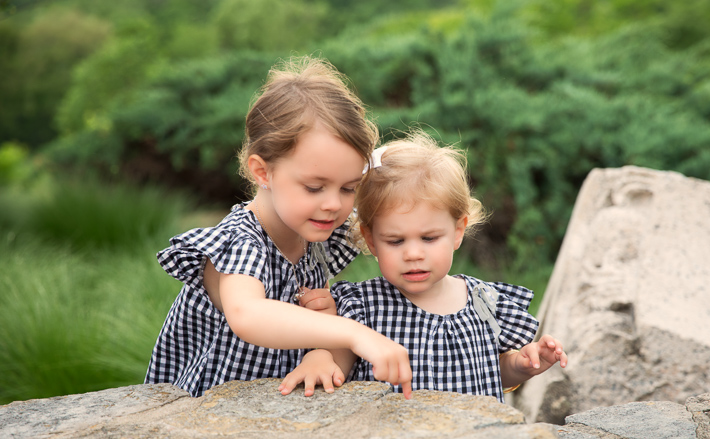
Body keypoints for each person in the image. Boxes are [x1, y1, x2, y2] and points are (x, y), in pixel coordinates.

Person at [145, 57, 412, 398]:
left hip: (275, 408)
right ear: (263, 172)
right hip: (206, 410)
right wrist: (353, 332)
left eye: (348, 188)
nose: (334, 204)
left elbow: (395, 187)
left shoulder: (314, 233)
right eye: (314, 187)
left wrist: (320, 349)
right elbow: (248, 314)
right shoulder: (242, 241)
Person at [279, 131, 567, 402]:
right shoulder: (362, 305)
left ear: (458, 231)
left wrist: (519, 366)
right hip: (393, 434)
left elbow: (491, 371)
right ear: (371, 240)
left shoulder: (484, 301)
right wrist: (320, 359)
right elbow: (337, 357)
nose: (413, 254)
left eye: (429, 238)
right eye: (395, 241)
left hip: (474, 434)